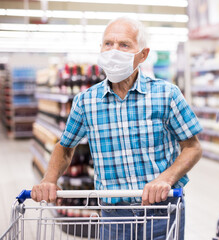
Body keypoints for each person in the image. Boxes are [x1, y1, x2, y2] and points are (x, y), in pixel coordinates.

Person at [31, 17, 203, 239]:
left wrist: (166, 178)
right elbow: (65, 147)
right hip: (114, 216)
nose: (114, 51)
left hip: (162, 210)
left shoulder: (166, 94)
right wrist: (49, 179)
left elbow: (193, 147)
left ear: (143, 54)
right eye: (108, 44)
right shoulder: (86, 101)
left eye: (124, 45)